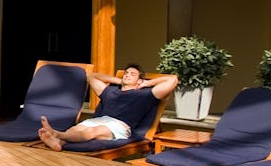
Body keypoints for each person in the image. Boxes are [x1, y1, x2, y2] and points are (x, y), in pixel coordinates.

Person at [39, 64, 177, 151]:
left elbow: (172, 80)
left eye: (132, 74)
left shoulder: (145, 94)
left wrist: (146, 84)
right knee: (75, 129)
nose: (127, 75)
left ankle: (57, 134)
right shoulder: (110, 91)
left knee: (92, 132)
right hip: (99, 119)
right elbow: (91, 76)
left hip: (119, 126)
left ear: (140, 80)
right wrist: (119, 81)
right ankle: (58, 142)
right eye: (126, 73)